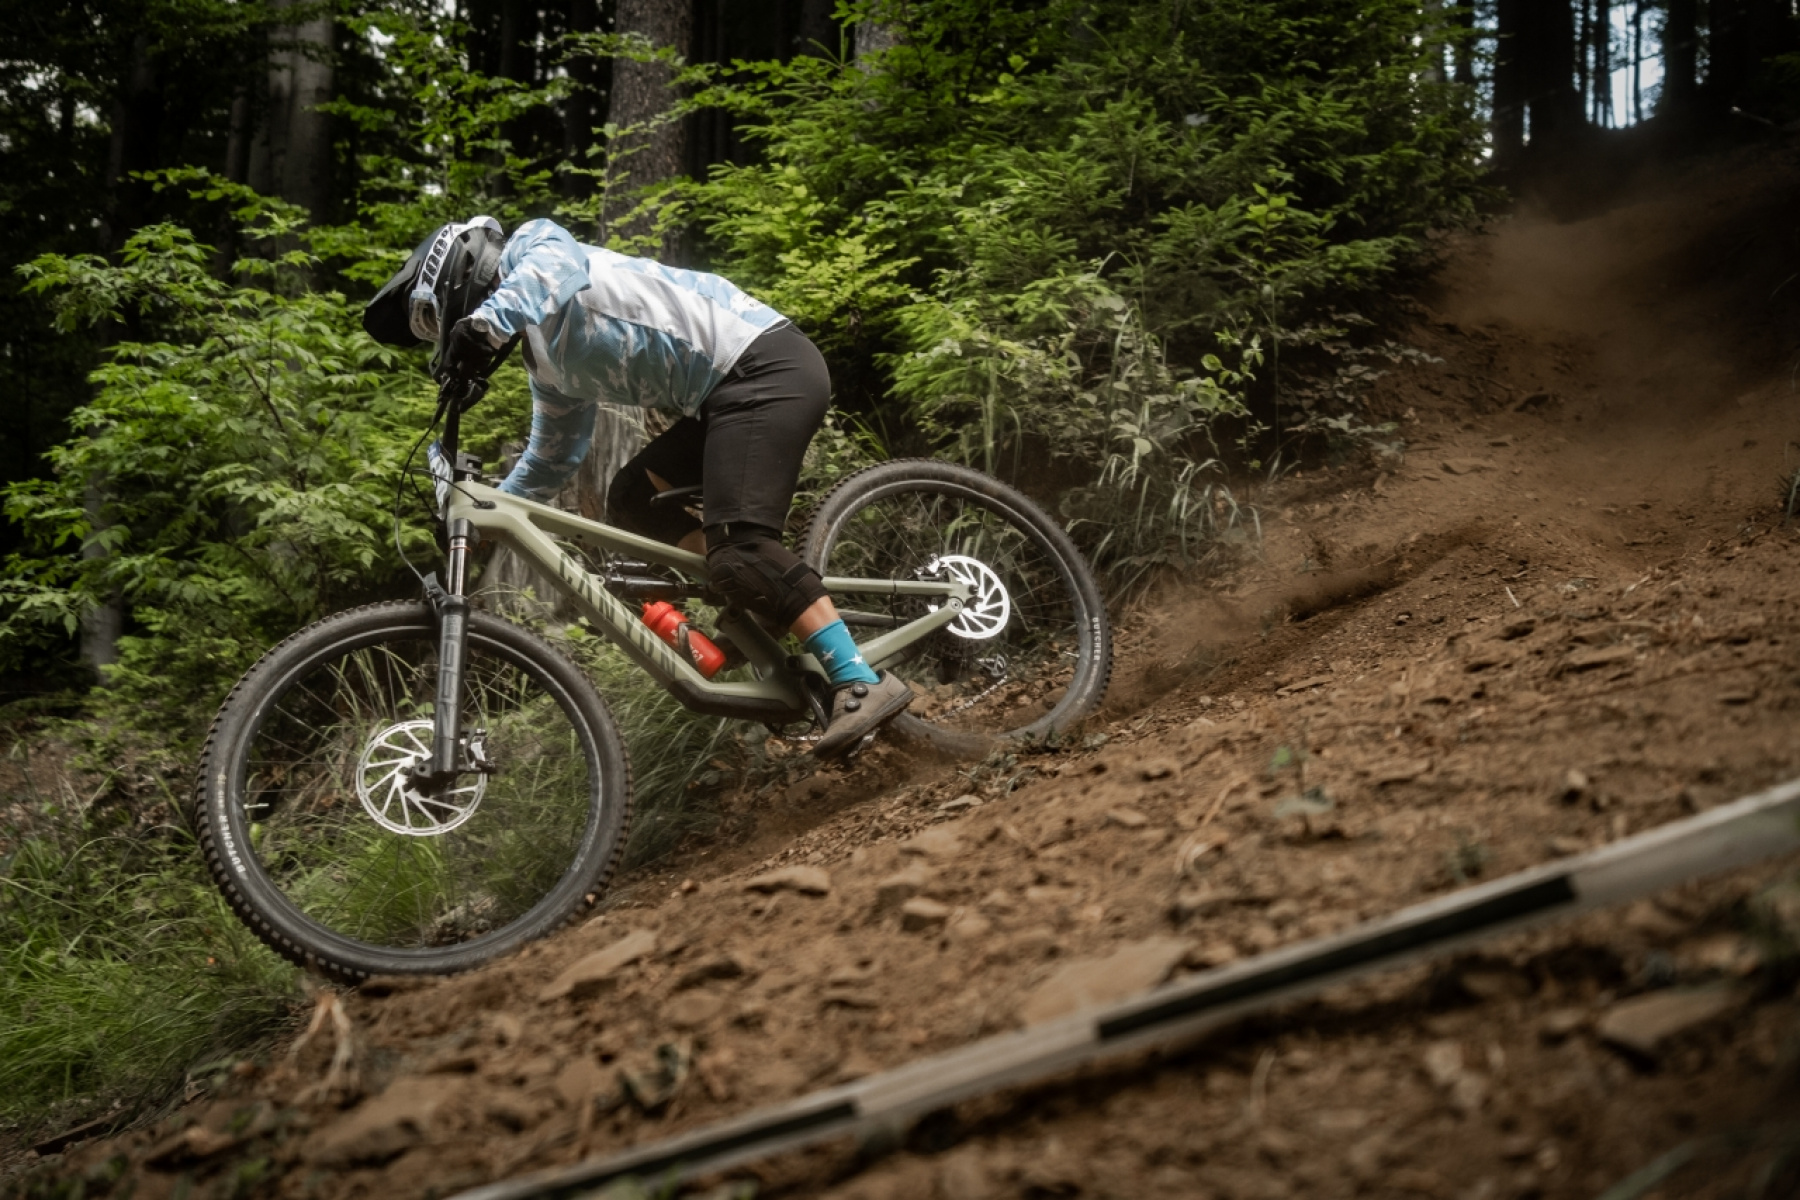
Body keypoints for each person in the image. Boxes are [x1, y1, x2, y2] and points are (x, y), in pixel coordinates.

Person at [363, 215, 912, 757]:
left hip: (764, 366)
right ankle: (763, 597)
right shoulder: (548, 364)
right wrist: (488, 509)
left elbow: (557, 267)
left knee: (740, 550)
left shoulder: (533, 247)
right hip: (723, 399)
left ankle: (857, 679)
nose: (439, 332)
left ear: (456, 275)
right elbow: (553, 459)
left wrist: (485, 325)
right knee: (631, 499)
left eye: (433, 320)